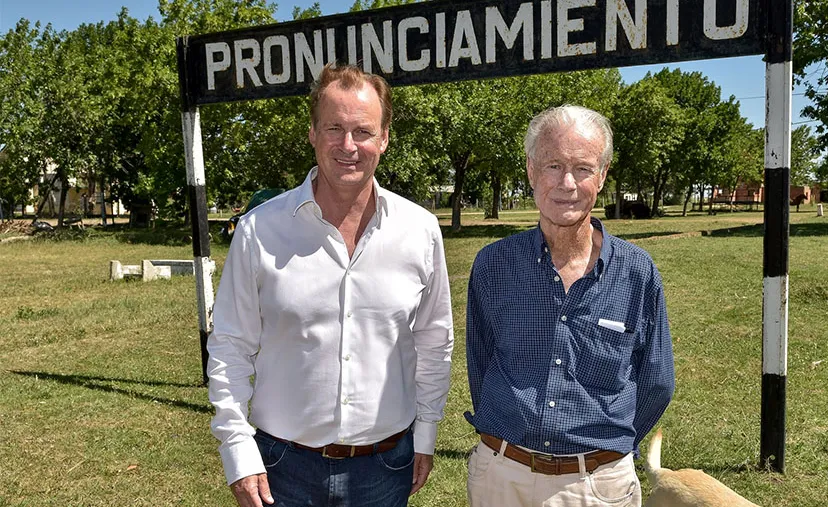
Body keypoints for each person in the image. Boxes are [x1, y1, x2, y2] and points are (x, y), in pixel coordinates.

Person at [207, 63, 454, 507]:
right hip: (281, 468)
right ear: (312, 134)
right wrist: (237, 450)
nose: (347, 145)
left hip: (385, 468)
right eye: (333, 128)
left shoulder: (420, 230)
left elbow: (435, 342)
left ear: (384, 138)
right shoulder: (259, 230)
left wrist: (427, 434)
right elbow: (229, 345)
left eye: (362, 131)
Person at [465, 105, 675, 506]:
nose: (566, 183)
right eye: (552, 165)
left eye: (582, 168)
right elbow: (480, 362)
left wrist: (608, 449)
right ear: (530, 170)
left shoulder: (637, 272)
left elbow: (658, 381)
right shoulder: (493, 265)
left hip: (597, 485)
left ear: (603, 175)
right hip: (501, 478)